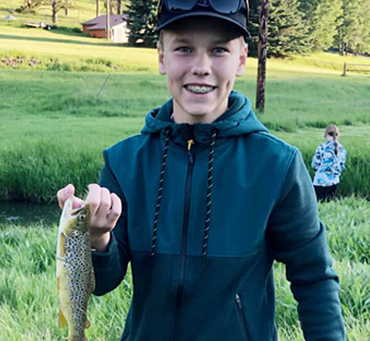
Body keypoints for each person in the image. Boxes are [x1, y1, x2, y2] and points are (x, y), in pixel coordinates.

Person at [57, 1, 345, 340]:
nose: (201, 67)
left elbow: (314, 279)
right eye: (184, 49)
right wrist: (97, 237)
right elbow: (103, 283)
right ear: (162, 57)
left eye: (218, 50)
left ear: (241, 59)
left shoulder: (277, 165)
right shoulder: (125, 162)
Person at [312, 124, 347, 202]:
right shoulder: (342, 149)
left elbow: (314, 164)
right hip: (334, 181)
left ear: (327, 134)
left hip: (320, 181)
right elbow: (342, 166)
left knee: (319, 203)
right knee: (330, 203)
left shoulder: (321, 147)